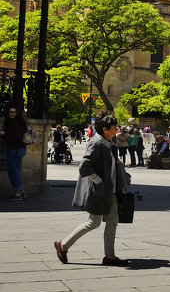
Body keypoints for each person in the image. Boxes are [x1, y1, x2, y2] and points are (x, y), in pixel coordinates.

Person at [54, 114, 131, 266]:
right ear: (104, 129)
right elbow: (84, 167)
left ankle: (109, 256)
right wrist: (99, 181)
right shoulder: (96, 143)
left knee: (112, 221)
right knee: (94, 222)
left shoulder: (108, 141)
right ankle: (63, 245)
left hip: (111, 190)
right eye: (113, 128)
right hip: (100, 191)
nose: (116, 130)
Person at [0, 103, 31, 201]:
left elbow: (17, 136)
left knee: (13, 172)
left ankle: (18, 193)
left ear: (17, 113)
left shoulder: (15, 123)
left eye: (14, 112)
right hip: (20, 148)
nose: (12, 114)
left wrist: (4, 133)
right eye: (10, 112)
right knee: (16, 171)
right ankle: (22, 192)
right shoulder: (21, 122)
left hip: (14, 149)